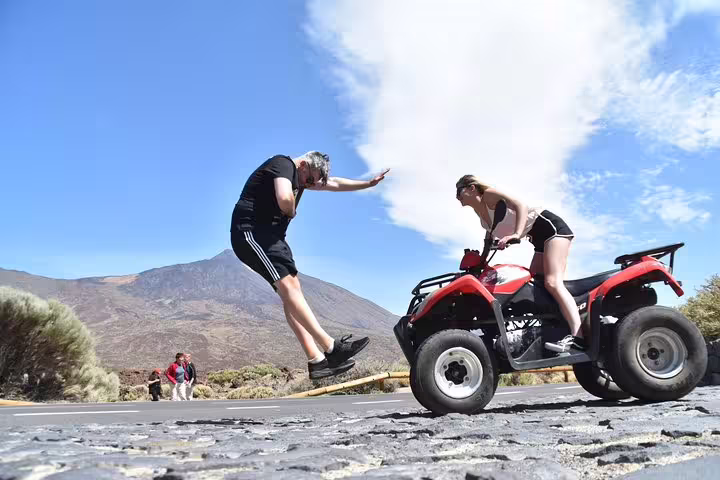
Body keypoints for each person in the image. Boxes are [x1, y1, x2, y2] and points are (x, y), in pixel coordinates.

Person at [230, 151, 389, 379]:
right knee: (290, 289)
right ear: (303, 165)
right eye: (310, 179)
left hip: (271, 238)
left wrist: (367, 184)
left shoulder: (303, 175)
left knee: (292, 295)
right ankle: (332, 347)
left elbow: (333, 183)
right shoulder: (283, 164)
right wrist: (292, 210)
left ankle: (317, 361)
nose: (310, 185)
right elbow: (285, 199)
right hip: (251, 233)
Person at [455, 175, 584, 353]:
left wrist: (516, 233)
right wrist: (479, 265)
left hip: (552, 229)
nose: (457, 196)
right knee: (533, 286)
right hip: (538, 239)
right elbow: (488, 240)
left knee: (553, 282)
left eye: (459, 190)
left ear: (472, 188)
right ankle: (555, 327)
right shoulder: (482, 216)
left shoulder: (489, 195)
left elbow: (520, 205)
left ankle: (579, 336)